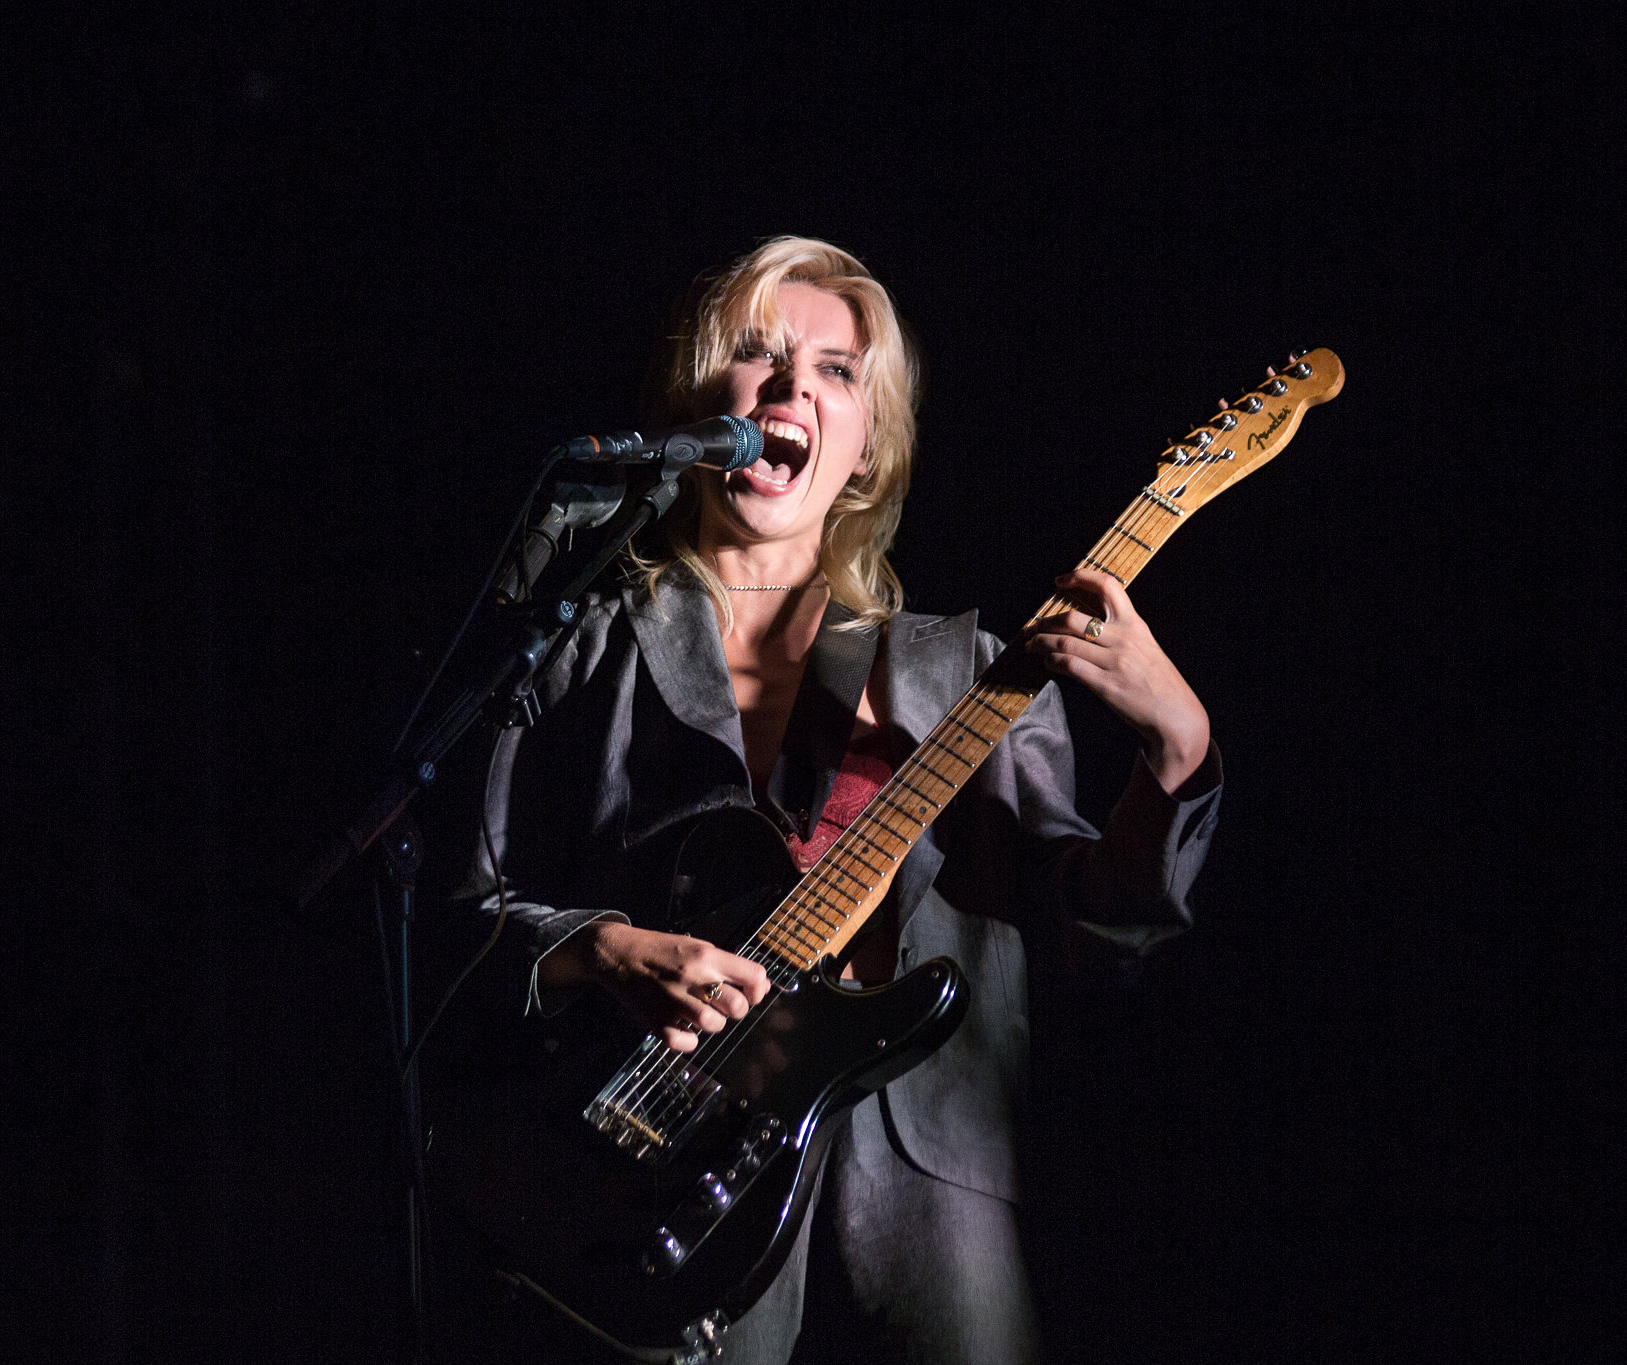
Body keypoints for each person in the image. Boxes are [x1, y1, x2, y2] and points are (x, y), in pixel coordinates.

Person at [453, 237, 1221, 1363]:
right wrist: (603, 948)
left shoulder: (968, 674)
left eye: (836, 371)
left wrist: (1176, 746)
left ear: (863, 447)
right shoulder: (581, 650)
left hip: (931, 1183)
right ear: (697, 397)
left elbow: (1102, 938)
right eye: (756, 354)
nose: (791, 387)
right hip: (650, 1168)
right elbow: (449, 909)